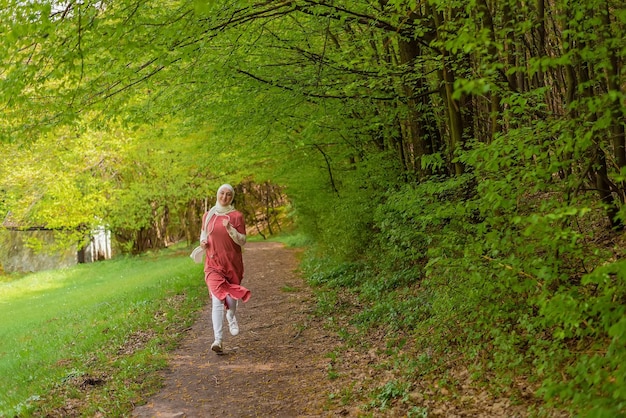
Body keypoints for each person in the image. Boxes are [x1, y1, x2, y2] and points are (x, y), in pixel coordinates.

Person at [199, 183, 250, 354]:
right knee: (216, 300)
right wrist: (203, 242)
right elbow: (204, 233)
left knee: (230, 298)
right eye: (222, 193)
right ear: (217, 194)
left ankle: (231, 316)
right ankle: (218, 340)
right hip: (213, 263)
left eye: (229, 194)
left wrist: (231, 230)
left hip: (232, 263)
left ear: (232, 197)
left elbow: (243, 241)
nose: (224, 197)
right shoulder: (208, 215)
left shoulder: (236, 216)